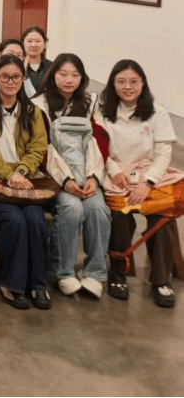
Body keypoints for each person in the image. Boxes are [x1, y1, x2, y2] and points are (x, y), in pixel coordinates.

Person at [95, 59, 183, 308]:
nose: (128, 87)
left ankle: (161, 279)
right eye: (121, 81)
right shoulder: (102, 111)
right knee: (119, 215)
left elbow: (163, 152)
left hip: (149, 174)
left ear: (143, 83)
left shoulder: (157, 112)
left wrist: (148, 182)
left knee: (163, 215)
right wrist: (114, 172)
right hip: (116, 174)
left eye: (134, 81)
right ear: (112, 84)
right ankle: (119, 271)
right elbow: (99, 147)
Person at [0, 55, 50, 310]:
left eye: (16, 77)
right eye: (4, 76)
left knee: (36, 220)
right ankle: (11, 283)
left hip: (25, 180)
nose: (10, 81)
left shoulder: (33, 113)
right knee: (13, 220)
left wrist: (22, 171)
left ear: (23, 79)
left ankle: (38, 283)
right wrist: (9, 174)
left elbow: (38, 148)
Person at [31, 54, 108, 299]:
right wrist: (65, 180)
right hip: (54, 179)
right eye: (63, 74)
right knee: (72, 208)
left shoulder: (90, 104)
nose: (69, 80)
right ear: (52, 75)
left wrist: (93, 177)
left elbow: (98, 143)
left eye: (75, 75)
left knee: (98, 209)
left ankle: (95, 273)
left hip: (87, 175)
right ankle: (63, 272)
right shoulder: (39, 105)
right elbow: (42, 148)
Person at [21, 26, 53, 92]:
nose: (33, 45)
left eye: (38, 41)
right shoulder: (18, 66)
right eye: (29, 41)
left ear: (44, 44)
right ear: (23, 44)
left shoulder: (52, 67)